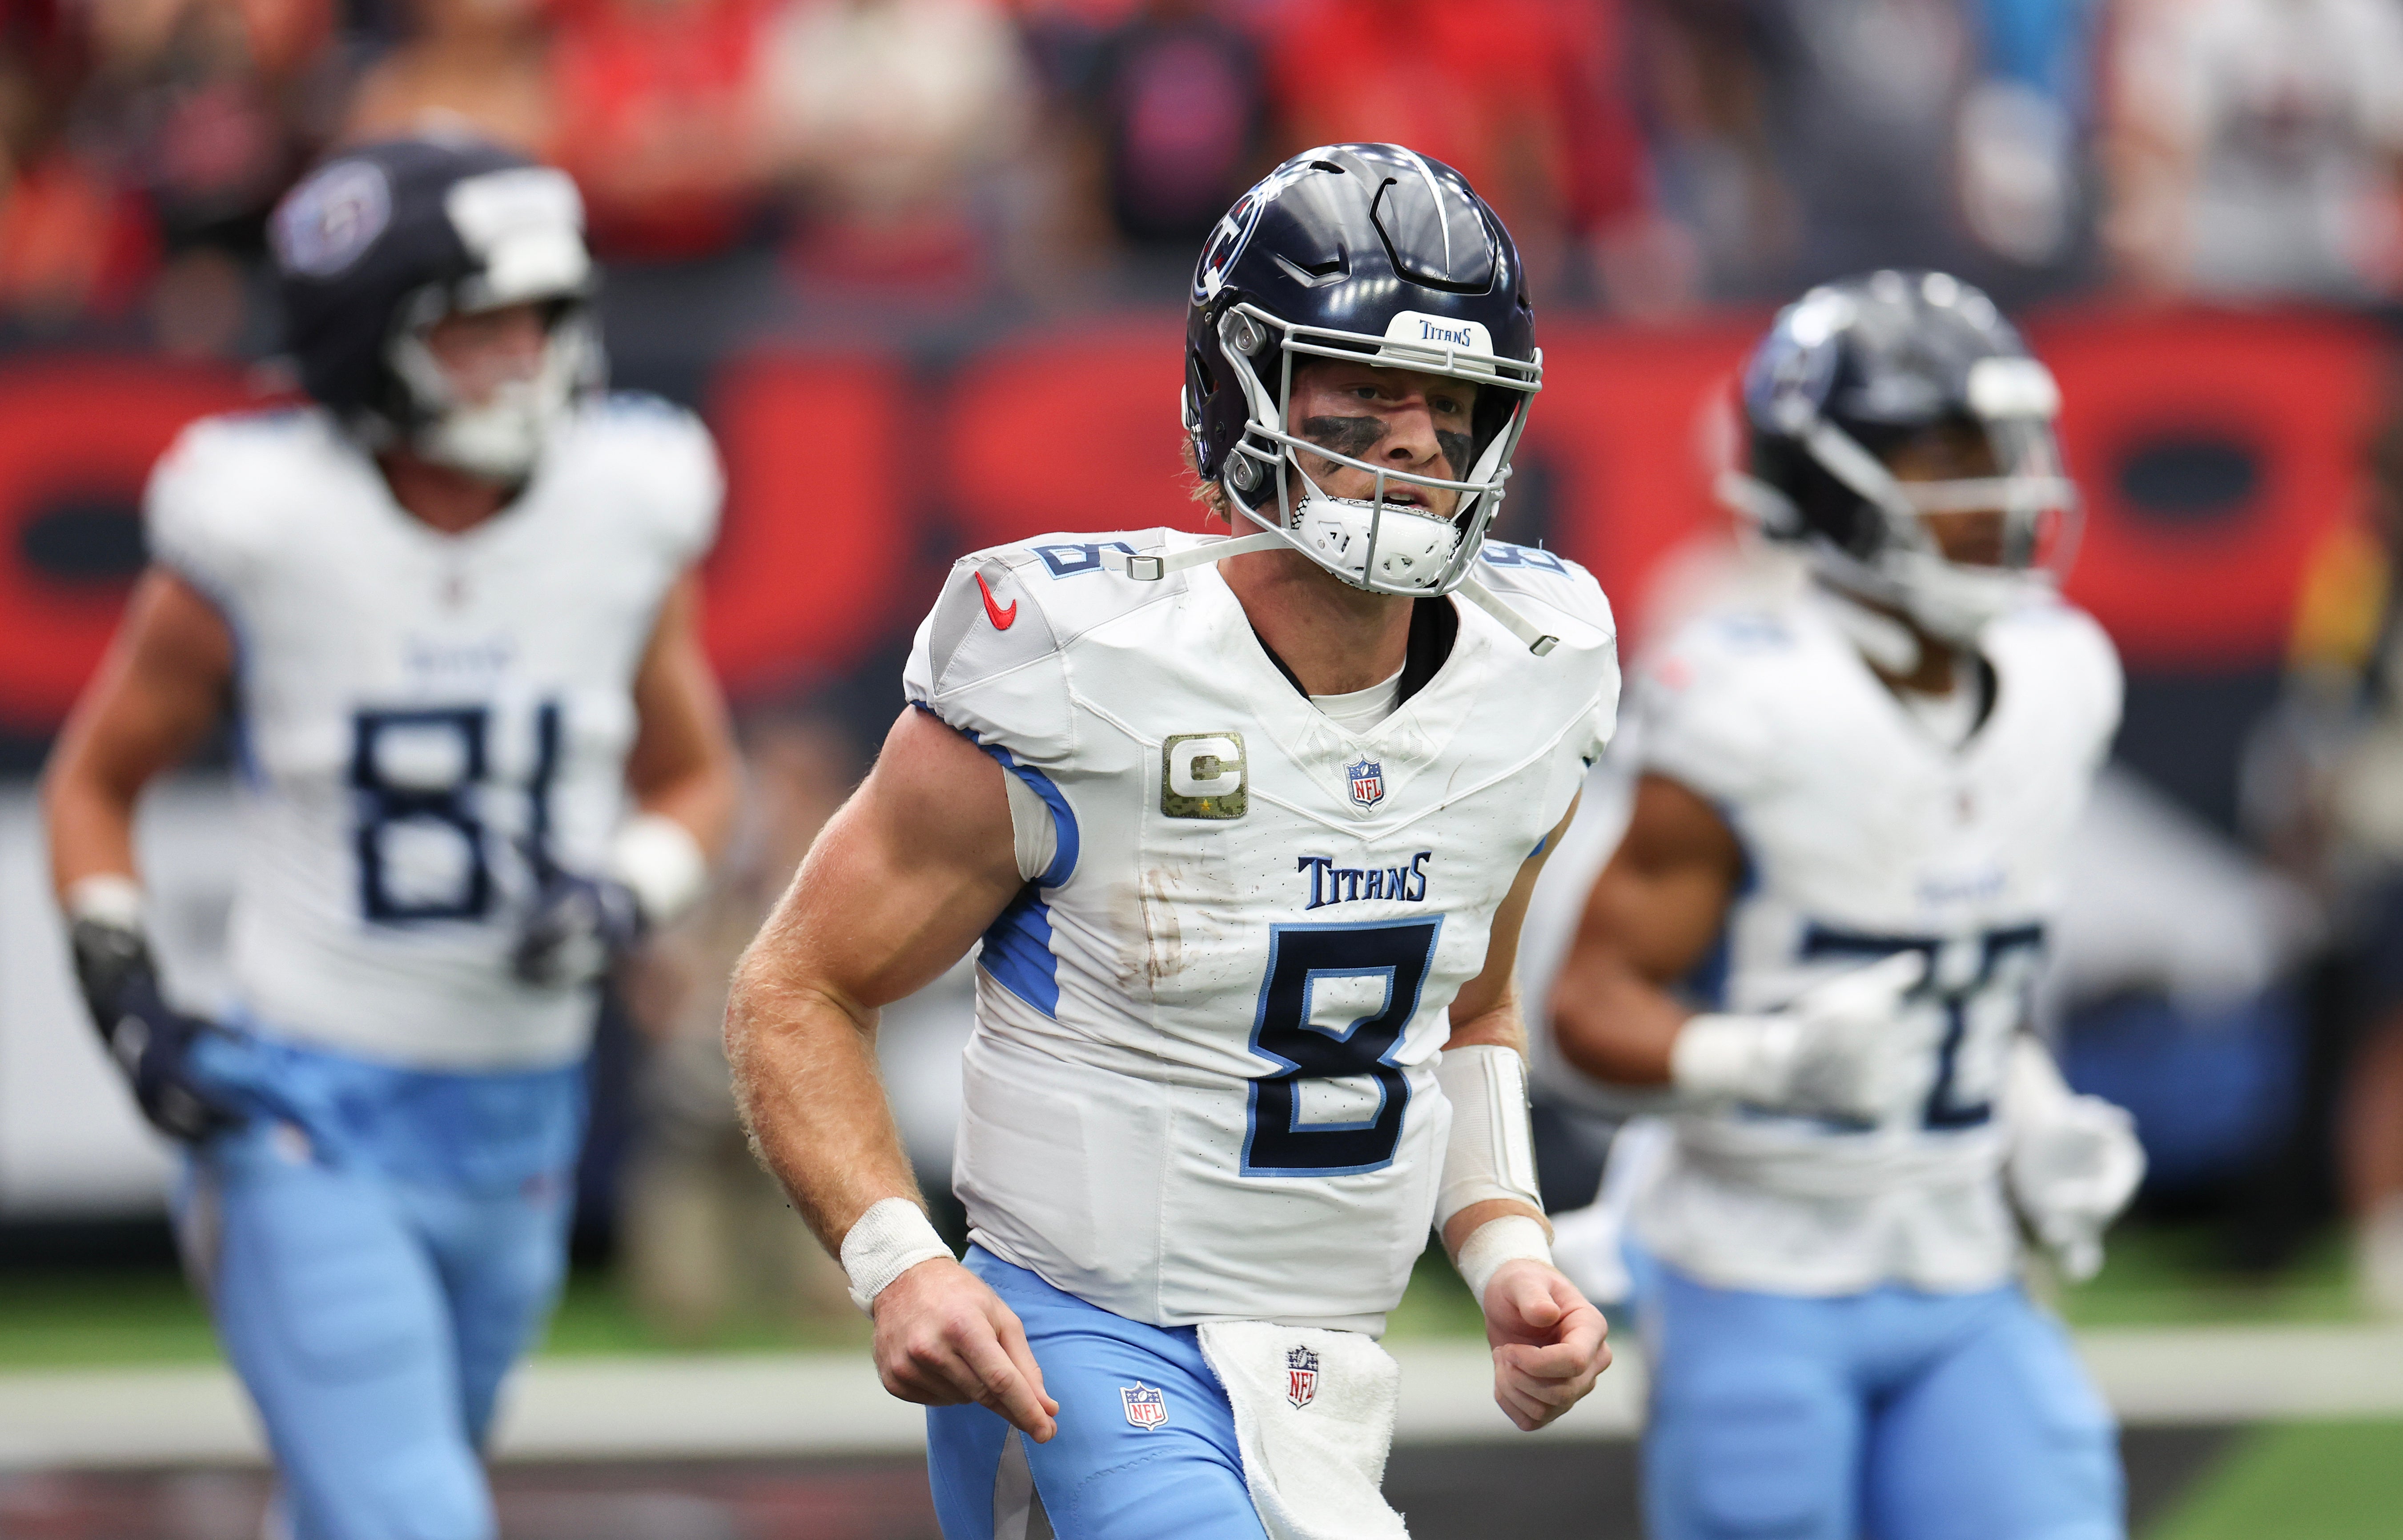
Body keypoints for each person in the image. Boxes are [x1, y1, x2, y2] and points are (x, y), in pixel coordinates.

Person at [725, 142, 1618, 1538]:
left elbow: (1471, 1005)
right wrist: (898, 1260)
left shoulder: (1538, 663)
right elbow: (794, 985)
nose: (1409, 440)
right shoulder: (1079, 663)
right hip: (1078, 1338)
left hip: (1322, 1366)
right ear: (1241, 386)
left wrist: (1505, 1246)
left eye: (1449, 402)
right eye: (1364, 390)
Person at [40, 134, 738, 1540]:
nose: (525, 360)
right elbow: (92, 784)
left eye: (538, 321)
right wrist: (124, 993)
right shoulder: (268, 521)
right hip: (305, 1108)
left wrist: (624, 893)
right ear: (375, 343)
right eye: (478, 328)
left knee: (366, 1500)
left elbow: (696, 779)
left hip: (519, 1116)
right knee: (410, 1517)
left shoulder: (624, 503)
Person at [1547, 270, 2147, 1540]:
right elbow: (1579, 1015)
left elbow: (1954, 969)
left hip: (1961, 1260)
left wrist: (2027, 1115)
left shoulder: (2059, 674)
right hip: (1750, 1262)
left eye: (2000, 447)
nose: (1998, 488)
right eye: (1943, 455)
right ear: (1822, 478)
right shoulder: (1745, 699)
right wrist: (1762, 1058)